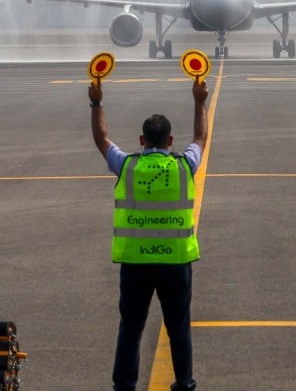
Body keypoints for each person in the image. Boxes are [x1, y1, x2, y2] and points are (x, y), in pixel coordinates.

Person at [90, 73, 209, 391]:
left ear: (142, 141)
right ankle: (183, 382)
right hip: (175, 263)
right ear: (170, 141)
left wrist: (96, 101)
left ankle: (124, 385)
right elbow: (200, 139)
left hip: (136, 263)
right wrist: (200, 102)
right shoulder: (185, 165)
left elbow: (102, 139)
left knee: (130, 327)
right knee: (178, 328)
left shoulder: (127, 165)